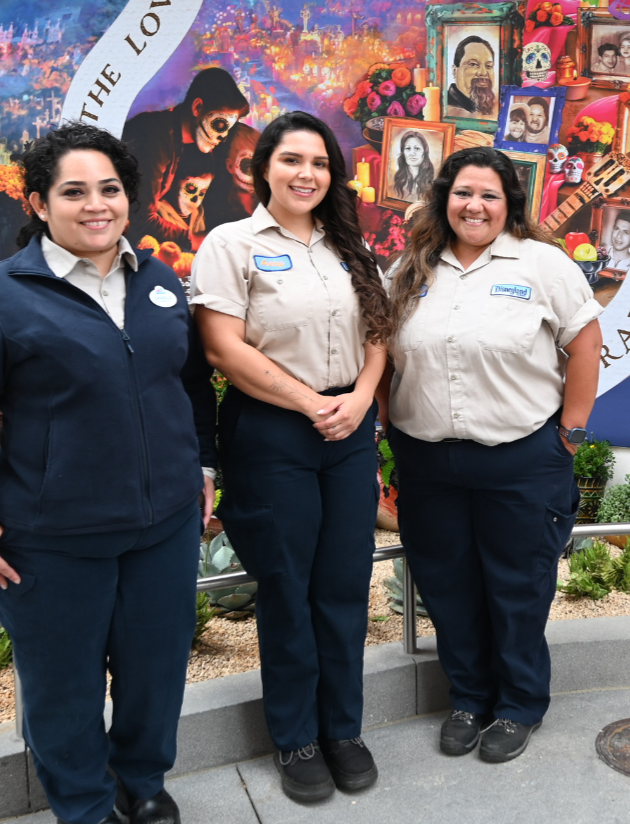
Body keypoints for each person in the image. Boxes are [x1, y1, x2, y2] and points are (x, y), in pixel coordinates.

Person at [0, 123, 218, 824]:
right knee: (64, 687)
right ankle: (84, 805)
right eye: (73, 191)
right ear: (38, 203)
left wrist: (201, 461)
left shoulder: (160, 281)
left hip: (163, 526)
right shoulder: (0, 295)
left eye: (109, 189)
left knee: (155, 674)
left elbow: (191, 383)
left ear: (129, 199)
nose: (95, 205)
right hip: (51, 536)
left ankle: (142, 783)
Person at [189, 110, 390, 806]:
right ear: (261, 168)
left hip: (347, 430)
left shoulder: (349, 248)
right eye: (291, 160)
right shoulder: (232, 244)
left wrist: (363, 397)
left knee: (342, 584)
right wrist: (312, 404)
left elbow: (380, 332)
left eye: (319, 163)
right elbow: (223, 347)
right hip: (275, 433)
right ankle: (296, 738)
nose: (307, 174)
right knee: (290, 588)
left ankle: (342, 730)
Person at [383, 146, 602, 765]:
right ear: (442, 199)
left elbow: (585, 348)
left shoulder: (542, 264)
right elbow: (383, 354)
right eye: (462, 193)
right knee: (447, 586)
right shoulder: (410, 269)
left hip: (521, 459)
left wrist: (572, 433)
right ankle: (469, 698)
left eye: (488, 195)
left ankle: (518, 705)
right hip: (429, 463)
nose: (473, 206)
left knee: (517, 586)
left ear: (510, 205)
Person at [122, 67, 250, 246]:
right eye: (220, 124)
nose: (223, 136)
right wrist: (196, 241)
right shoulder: (155, 135)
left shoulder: (174, 139)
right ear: (197, 107)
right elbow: (141, 219)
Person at [445, 36, 497, 117]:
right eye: (473, 64)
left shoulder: (493, 108)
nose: (483, 73)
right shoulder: (447, 109)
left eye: (489, 66)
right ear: (455, 71)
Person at [393, 130, 435, 201]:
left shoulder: (431, 181)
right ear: (403, 152)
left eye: (417, 148)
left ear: (424, 152)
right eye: (408, 148)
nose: (412, 153)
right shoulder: (398, 180)